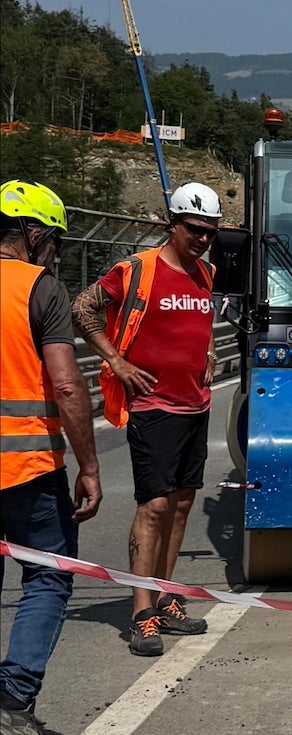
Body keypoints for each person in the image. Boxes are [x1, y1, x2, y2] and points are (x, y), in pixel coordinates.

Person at [74, 182, 221, 657]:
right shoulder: (137, 270)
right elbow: (83, 308)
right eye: (195, 229)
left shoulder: (206, 274)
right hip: (153, 406)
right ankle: (142, 612)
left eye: (210, 232)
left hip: (196, 404)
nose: (203, 239)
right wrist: (115, 361)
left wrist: (210, 351)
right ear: (171, 225)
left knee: (180, 506)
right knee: (153, 507)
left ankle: (163, 595)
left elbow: (196, 327)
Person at [0, 180, 102, 735]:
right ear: (34, 234)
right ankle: (12, 700)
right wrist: (88, 466)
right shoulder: (40, 289)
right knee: (47, 577)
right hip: (26, 470)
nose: (55, 253)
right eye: (54, 241)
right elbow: (66, 385)